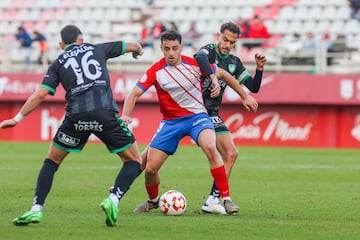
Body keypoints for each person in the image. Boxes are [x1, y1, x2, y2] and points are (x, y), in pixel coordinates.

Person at [0, 25, 144, 227]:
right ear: (81, 40)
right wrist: (138, 51)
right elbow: (134, 45)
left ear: (61, 45)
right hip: (105, 114)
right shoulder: (97, 49)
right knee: (133, 161)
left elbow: (41, 93)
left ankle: (36, 209)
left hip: (76, 117)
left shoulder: (58, 62)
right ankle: (113, 199)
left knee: (51, 161)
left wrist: (16, 118)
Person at [122, 30, 258, 215]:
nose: (171, 53)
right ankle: (153, 201)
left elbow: (224, 75)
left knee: (210, 146)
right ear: (161, 49)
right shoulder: (156, 70)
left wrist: (245, 95)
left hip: (197, 117)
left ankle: (225, 199)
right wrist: (126, 115)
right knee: (151, 168)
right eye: (167, 49)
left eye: (175, 48)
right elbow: (134, 94)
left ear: (181, 48)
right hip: (171, 122)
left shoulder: (194, 64)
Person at [193, 21, 267, 214]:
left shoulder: (234, 62)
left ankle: (213, 199)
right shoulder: (207, 51)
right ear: (218, 36)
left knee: (231, 153)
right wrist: (214, 76)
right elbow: (200, 59)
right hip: (191, 110)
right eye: (225, 39)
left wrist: (259, 69)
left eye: (232, 42)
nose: (227, 45)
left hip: (212, 113)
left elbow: (253, 87)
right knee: (155, 156)